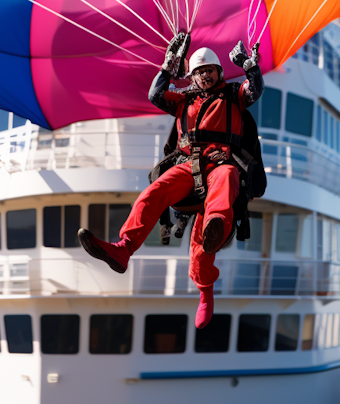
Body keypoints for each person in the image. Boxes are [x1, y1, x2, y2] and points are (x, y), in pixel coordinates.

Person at [78, 32, 264, 329]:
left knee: (222, 192)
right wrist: (167, 65)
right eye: (199, 72)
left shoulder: (233, 95)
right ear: (192, 76)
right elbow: (154, 95)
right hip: (188, 166)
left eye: (209, 71)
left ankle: (207, 281)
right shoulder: (184, 100)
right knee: (155, 191)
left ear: (218, 72)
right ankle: (124, 249)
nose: (204, 76)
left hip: (220, 164)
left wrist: (250, 67)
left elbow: (254, 90)